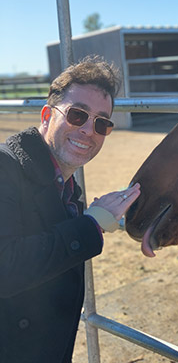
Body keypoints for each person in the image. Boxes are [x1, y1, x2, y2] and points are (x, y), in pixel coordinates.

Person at [0, 56, 141, 363]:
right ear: (47, 115)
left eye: (101, 123)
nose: (89, 130)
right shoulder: (3, 168)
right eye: (78, 115)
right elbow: (5, 269)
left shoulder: (64, 184)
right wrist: (89, 226)